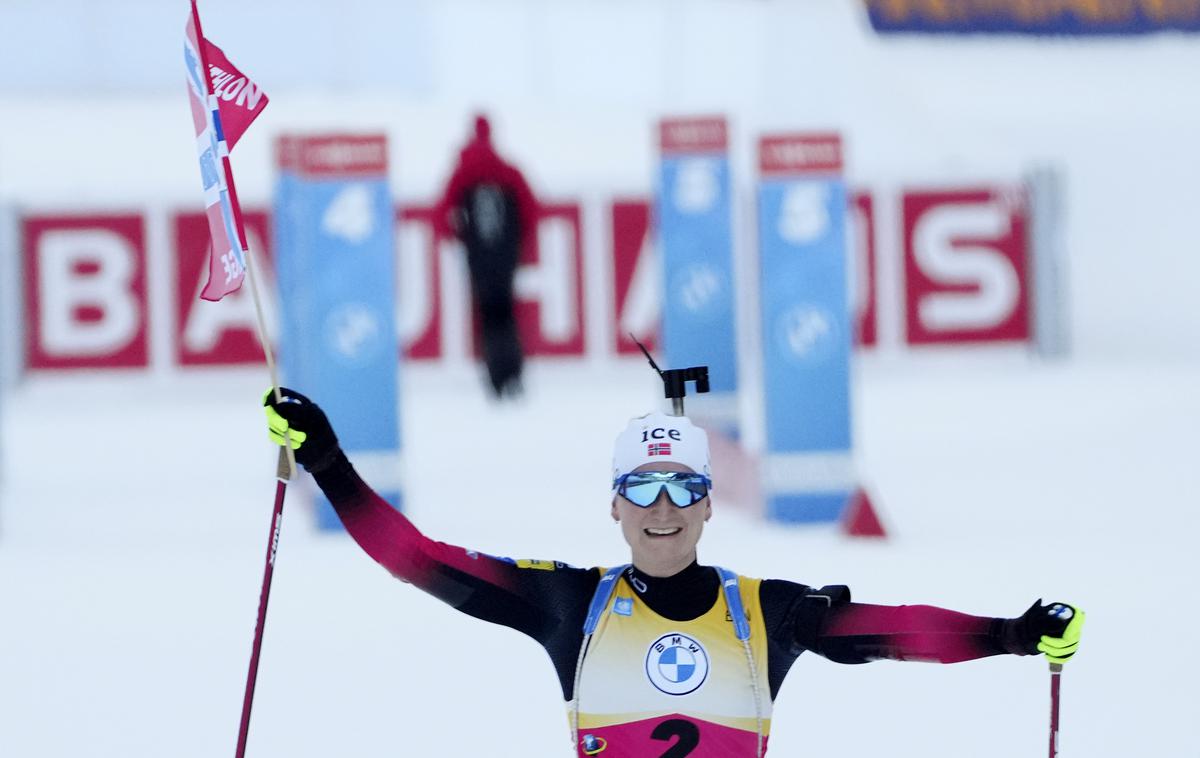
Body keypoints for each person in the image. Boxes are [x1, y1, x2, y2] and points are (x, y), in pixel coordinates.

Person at [264, 389, 1085, 758]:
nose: (664, 510)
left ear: (708, 504)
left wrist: (1013, 635)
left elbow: (895, 630)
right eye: (643, 490)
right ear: (614, 507)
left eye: (684, 488)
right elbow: (418, 560)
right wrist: (329, 460)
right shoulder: (569, 604)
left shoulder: (768, 614)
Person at [433, 114, 540, 398]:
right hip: (505, 255)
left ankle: (495, 376)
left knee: (486, 315)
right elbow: (530, 207)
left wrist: (459, 237)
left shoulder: (463, 170)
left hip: (478, 256)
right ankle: (514, 373)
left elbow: (442, 211)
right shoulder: (507, 168)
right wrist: (519, 241)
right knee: (506, 313)